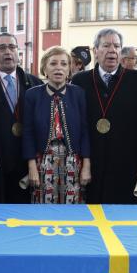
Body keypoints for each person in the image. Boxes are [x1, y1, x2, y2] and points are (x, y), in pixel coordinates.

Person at [72, 28, 137, 203]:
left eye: (117, 46)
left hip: (126, 161)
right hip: (90, 161)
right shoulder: (80, 80)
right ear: (95, 51)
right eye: (106, 45)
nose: (112, 50)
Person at [23, 46, 91, 203]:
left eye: (64, 64)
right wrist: (32, 166)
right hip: (44, 160)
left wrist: (86, 166)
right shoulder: (33, 94)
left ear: (69, 70)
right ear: (44, 68)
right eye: (53, 63)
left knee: (72, 206)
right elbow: (28, 131)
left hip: (73, 160)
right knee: (44, 206)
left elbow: (85, 131)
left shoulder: (78, 93)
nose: (58, 68)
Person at [0, 33, 42, 203]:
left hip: (26, 161)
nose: (8, 52)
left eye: (12, 47)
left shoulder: (34, 83)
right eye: (1, 48)